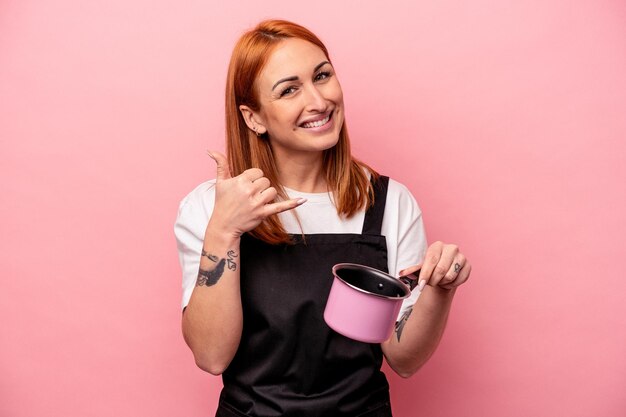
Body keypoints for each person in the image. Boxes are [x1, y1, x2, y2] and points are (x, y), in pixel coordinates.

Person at [174, 19, 471, 417]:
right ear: (253, 118)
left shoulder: (388, 203)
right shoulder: (210, 207)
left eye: (322, 76)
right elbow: (211, 356)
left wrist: (439, 289)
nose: (317, 101)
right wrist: (224, 231)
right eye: (289, 89)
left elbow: (404, 358)